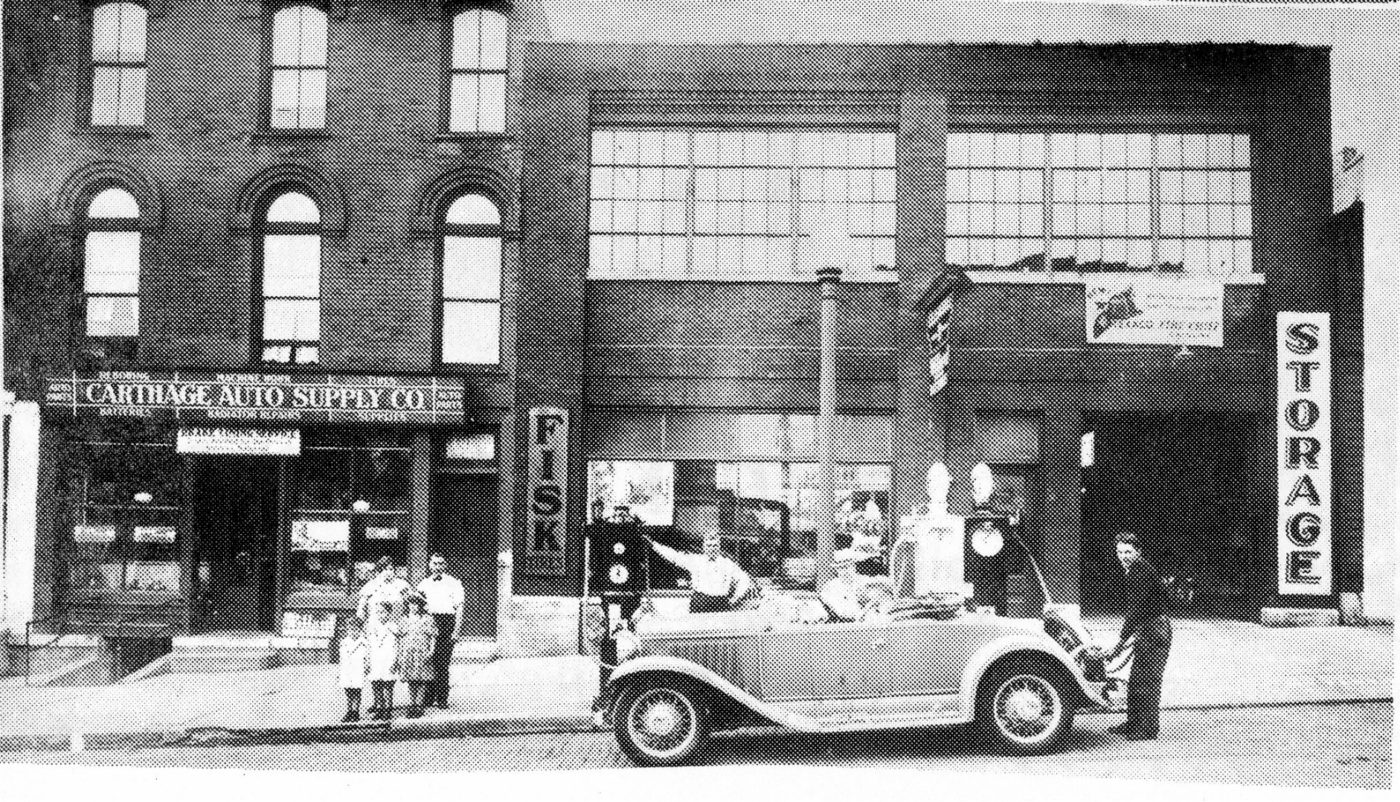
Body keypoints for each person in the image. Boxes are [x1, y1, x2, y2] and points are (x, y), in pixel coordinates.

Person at [1100, 532, 1173, 741]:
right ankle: (1133, 723)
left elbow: (1136, 610)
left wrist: (1120, 642)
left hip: (1155, 630)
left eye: (1128, 552)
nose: (1123, 556)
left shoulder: (1140, 571)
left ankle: (1148, 729)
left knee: (1148, 680)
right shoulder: (1135, 569)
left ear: (1138, 551)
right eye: (1120, 552)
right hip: (1147, 628)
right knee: (1136, 679)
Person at [648, 531, 756, 613]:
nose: (712, 548)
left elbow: (744, 579)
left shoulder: (727, 563)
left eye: (715, 545)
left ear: (719, 547)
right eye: (709, 545)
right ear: (704, 547)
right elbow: (675, 557)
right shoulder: (696, 560)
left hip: (720, 603)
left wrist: (736, 598)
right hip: (700, 601)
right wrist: (654, 545)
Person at [416, 553, 465, 709]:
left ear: (445, 565)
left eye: (440, 563)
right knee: (429, 661)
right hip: (430, 621)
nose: (437, 566)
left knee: (442, 662)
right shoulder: (423, 584)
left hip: (446, 622)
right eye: (435, 563)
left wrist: (456, 630)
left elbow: (459, 608)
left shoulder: (453, 583)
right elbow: (417, 605)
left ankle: (442, 698)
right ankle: (428, 697)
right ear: (430, 565)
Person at [397, 594, 439, 719]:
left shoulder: (427, 619)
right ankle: (412, 704)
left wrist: (431, 650)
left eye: (416, 604)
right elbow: (400, 638)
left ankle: (419, 705)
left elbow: (433, 636)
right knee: (411, 679)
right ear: (407, 605)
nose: (413, 607)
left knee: (421, 679)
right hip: (408, 652)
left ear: (420, 605)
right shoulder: (404, 620)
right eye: (410, 604)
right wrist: (400, 653)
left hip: (422, 652)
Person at [365, 600, 402, 720]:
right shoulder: (372, 627)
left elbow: (397, 646)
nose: (381, 615)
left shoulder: (393, 627)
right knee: (376, 685)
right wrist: (368, 661)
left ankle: (388, 709)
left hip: (388, 659)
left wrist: (395, 661)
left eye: (384, 612)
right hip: (376, 659)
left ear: (389, 613)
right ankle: (379, 708)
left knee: (388, 685)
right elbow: (369, 645)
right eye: (379, 612)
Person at [356, 557, 412, 622]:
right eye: (385, 569)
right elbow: (361, 608)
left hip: (396, 624)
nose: (389, 572)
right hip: (375, 624)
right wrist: (361, 620)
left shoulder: (401, 585)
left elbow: (410, 604)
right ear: (380, 571)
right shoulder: (371, 585)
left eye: (391, 569)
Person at [819, 549, 868, 621]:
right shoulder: (831, 587)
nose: (845, 571)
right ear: (836, 569)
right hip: (841, 627)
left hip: (865, 626)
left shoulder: (862, 583)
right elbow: (842, 612)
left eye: (847, 567)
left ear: (854, 567)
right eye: (841, 568)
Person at [336, 615, 368, 723]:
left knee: (357, 691)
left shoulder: (364, 642)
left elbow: (367, 657)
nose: (353, 632)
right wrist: (340, 671)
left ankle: (356, 712)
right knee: (348, 691)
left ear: (360, 630)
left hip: (358, 669)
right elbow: (342, 657)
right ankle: (349, 711)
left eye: (356, 629)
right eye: (350, 629)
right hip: (347, 670)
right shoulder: (344, 642)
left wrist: (367, 667)